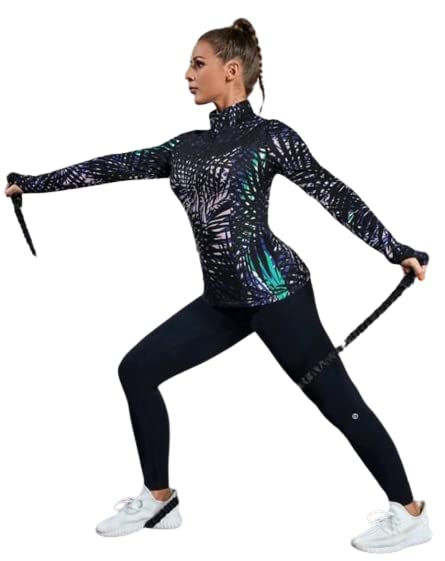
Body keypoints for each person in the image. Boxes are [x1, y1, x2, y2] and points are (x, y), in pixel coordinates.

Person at [6, 18, 432, 552]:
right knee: (137, 370)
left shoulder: (271, 137)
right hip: (224, 301)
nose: (187, 74)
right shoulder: (186, 147)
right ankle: (159, 498)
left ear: (231, 71)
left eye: (198, 64)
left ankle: (409, 513)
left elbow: (332, 192)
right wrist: (34, 183)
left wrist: (394, 247)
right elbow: (113, 166)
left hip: (278, 295)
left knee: (338, 402)